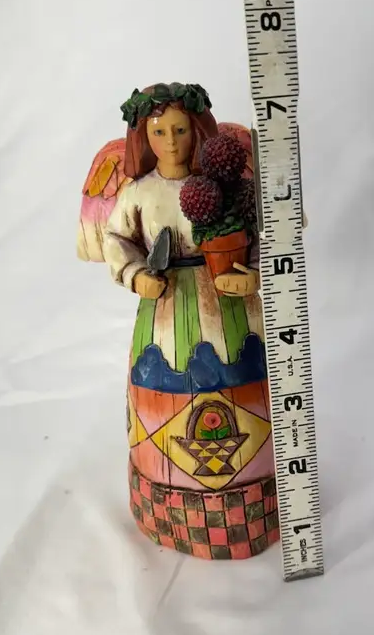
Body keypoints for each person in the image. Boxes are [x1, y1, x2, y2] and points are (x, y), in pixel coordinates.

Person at [80, 83, 279, 560]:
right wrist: (136, 275)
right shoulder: (139, 193)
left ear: (198, 132)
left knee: (244, 384)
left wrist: (250, 273)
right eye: (159, 132)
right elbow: (116, 239)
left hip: (230, 309)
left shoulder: (229, 189)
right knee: (163, 391)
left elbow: (258, 234)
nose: (170, 142)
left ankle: (264, 496)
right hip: (166, 314)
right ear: (143, 138)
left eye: (180, 130)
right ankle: (165, 504)